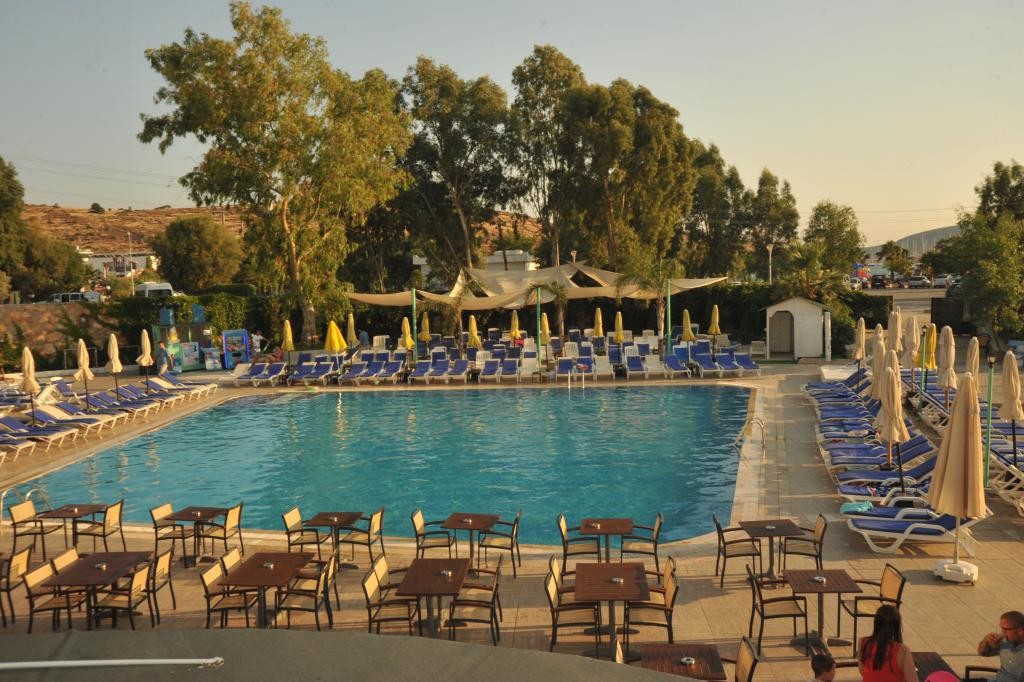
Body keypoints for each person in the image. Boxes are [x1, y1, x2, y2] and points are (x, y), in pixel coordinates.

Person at [859, 605, 919, 682]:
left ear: (876, 623)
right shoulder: (902, 651)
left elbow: (863, 672)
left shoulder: (863, 642)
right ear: (896, 627)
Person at [977, 610, 1024, 682]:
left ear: (1020, 631)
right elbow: (984, 653)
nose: (1002, 633)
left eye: (1006, 629)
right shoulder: (1005, 642)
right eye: (1001, 628)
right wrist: (985, 642)